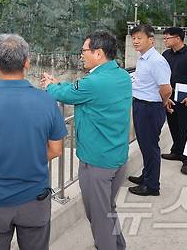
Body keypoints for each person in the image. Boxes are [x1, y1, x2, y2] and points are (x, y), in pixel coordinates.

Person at [0, 33, 67, 250]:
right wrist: (31, 158)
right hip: (35, 199)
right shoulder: (47, 101)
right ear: (27, 62)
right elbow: (56, 149)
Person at [40, 31, 132, 250]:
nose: (81, 55)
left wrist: (50, 86)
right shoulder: (121, 75)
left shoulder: (95, 82)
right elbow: (77, 91)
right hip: (117, 157)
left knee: (99, 217)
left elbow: (67, 94)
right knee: (108, 209)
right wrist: (60, 85)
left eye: (84, 51)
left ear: (98, 53)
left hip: (97, 162)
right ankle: (119, 246)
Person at [127, 24, 173, 196]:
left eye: (139, 38)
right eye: (133, 38)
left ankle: (152, 186)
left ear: (151, 40)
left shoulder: (157, 61)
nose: (135, 41)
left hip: (150, 107)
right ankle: (146, 176)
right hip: (141, 104)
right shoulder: (143, 57)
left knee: (150, 146)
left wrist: (163, 102)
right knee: (145, 145)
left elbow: (166, 89)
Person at [161, 27, 187, 175]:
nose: (165, 40)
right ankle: (177, 151)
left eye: (167, 38)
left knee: (185, 129)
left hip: (185, 99)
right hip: (170, 97)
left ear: (178, 38)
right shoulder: (166, 54)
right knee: (173, 125)